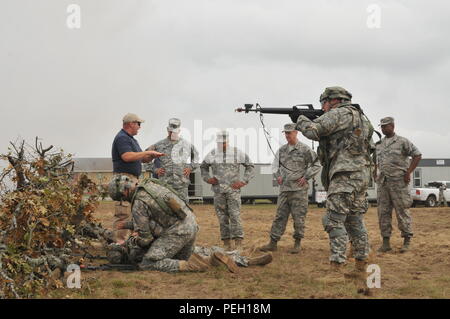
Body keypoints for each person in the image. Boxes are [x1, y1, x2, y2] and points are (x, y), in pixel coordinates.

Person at [107, 175, 272, 272]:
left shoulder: (138, 203)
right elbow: (156, 218)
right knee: (194, 251)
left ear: (124, 192)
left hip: (177, 231)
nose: (124, 200)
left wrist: (133, 240)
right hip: (190, 223)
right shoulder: (151, 184)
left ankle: (198, 265)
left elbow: (145, 238)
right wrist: (129, 225)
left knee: (148, 262)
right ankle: (242, 258)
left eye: (121, 198)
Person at [295, 86, 374, 279]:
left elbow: (314, 131)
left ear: (333, 100)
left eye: (324, 103)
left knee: (332, 220)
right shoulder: (363, 118)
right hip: (361, 176)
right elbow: (369, 145)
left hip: (344, 176)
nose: (322, 108)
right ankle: (361, 267)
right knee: (355, 221)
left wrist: (301, 120)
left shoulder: (338, 114)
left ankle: (336, 269)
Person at [260, 123, 321, 254]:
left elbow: (317, 164)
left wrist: (306, 177)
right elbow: (275, 166)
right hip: (284, 190)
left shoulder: (304, 149)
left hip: (299, 190)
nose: (287, 135)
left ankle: (297, 243)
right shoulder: (281, 150)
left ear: (296, 133)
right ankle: (273, 242)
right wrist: (278, 176)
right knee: (279, 217)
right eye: (286, 133)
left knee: (299, 217)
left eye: (290, 133)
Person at [111, 113, 164, 244]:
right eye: (138, 124)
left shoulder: (132, 140)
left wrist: (152, 155)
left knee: (134, 212)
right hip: (123, 181)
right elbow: (127, 156)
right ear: (131, 124)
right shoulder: (122, 138)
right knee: (123, 213)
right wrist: (147, 152)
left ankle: (128, 242)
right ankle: (119, 244)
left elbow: (142, 158)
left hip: (132, 180)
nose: (139, 127)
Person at [200, 130, 255, 251]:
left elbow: (250, 166)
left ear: (227, 141)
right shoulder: (212, 154)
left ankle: (239, 243)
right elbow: (203, 167)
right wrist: (208, 179)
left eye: (224, 143)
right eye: (220, 143)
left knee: (235, 216)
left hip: (233, 191)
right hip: (218, 191)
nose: (222, 145)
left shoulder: (237, 153)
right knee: (222, 218)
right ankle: (226, 243)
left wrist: (244, 181)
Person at [373, 117, 422, 253]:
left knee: (402, 212)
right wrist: (374, 171)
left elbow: (417, 155)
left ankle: (406, 241)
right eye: (381, 127)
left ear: (393, 126)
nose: (383, 129)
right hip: (383, 183)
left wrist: (409, 172)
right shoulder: (379, 144)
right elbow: (375, 159)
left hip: (399, 182)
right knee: (383, 213)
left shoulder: (402, 141)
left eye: (385, 126)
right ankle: (386, 242)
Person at [146, 118, 199, 201]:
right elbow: (145, 157)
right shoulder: (159, 145)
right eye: (170, 131)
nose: (172, 133)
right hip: (165, 185)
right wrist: (155, 169)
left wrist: (190, 167)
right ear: (167, 130)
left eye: (174, 131)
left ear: (179, 131)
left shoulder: (186, 145)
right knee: (165, 210)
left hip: (181, 185)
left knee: (183, 211)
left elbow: (196, 157)